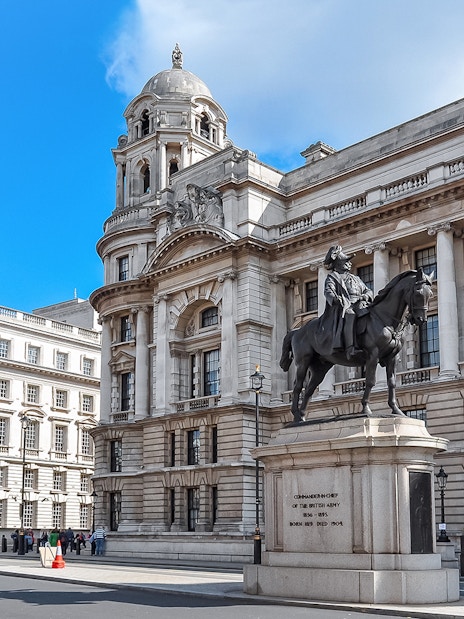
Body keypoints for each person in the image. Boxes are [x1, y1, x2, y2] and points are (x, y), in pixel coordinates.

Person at [322, 245, 374, 359]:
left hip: (361, 303)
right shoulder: (333, 277)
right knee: (350, 315)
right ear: (338, 264)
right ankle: (351, 348)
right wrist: (336, 299)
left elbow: (368, 290)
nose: (349, 263)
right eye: (346, 261)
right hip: (346, 305)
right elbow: (328, 291)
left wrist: (365, 296)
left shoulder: (356, 278)